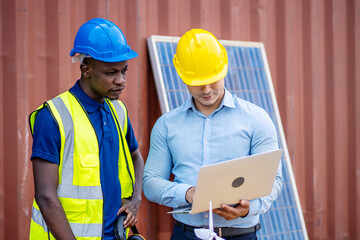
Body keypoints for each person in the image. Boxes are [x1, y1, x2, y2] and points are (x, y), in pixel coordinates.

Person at [143, 29, 282, 240]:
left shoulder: (257, 119)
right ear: (182, 75)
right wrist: (189, 193)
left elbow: (274, 179)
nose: (207, 89)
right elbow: (151, 182)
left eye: (213, 79)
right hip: (186, 235)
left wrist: (248, 208)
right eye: (197, 82)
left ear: (224, 69)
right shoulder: (166, 125)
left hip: (241, 234)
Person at [29, 18, 144, 240]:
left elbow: (136, 158)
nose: (120, 80)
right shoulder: (53, 116)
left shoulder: (118, 111)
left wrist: (136, 199)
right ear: (86, 69)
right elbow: (45, 196)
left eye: (124, 71)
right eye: (111, 73)